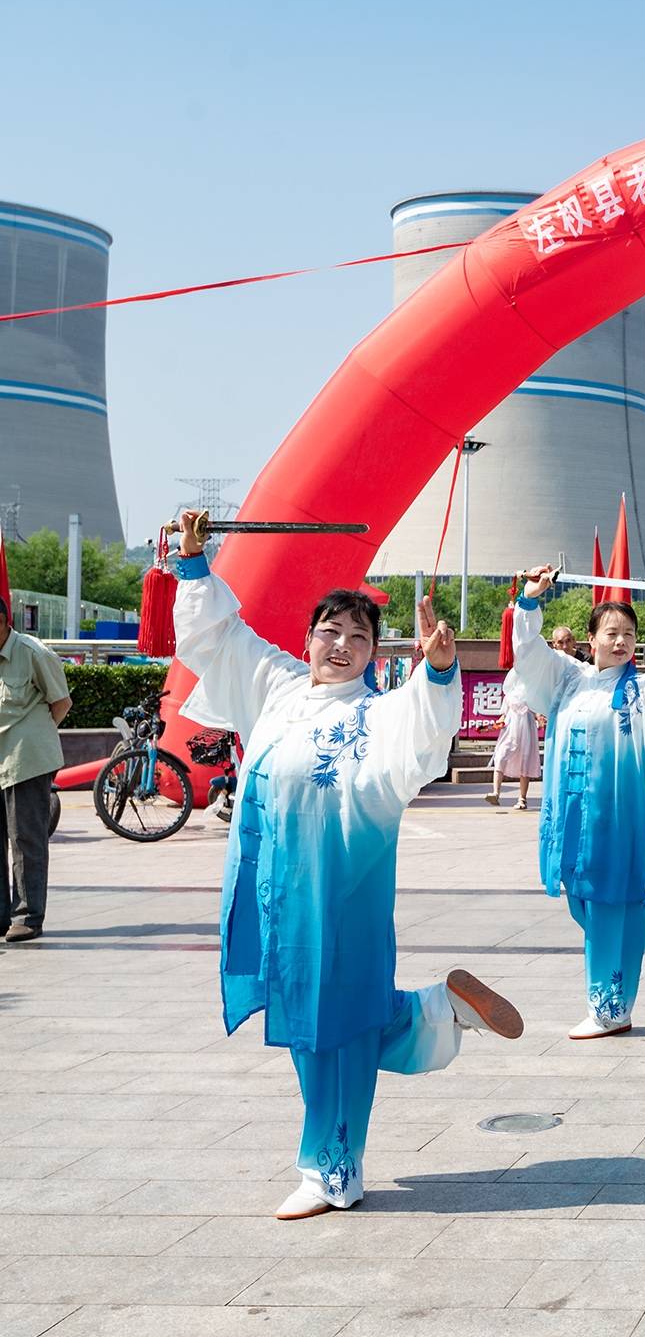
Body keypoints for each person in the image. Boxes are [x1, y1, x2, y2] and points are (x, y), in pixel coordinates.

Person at [168, 510, 523, 1219]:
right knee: (313, 1017)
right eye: (330, 630)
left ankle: (333, 1168)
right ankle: (431, 1012)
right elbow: (217, 639)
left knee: (340, 1023)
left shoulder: (380, 713)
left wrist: (442, 666)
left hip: (344, 895)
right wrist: (191, 562)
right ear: (308, 640)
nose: (342, 644)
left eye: (359, 637)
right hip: (273, 891)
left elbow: (429, 725)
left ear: (373, 654)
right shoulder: (276, 687)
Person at [509, 565, 645, 1039]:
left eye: (628, 634)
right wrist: (530, 601)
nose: (620, 642)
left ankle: (610, 1009)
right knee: (586, 905)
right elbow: (527, 655)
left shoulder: (643, 690)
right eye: (611, 633)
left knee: (609, 909)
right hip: (569, 820)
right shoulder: (567, 680)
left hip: (614, 822)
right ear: (591, 639)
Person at [1, 592, 70, 943]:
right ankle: (2, 915)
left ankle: (28, 916)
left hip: (26, 758)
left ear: (3, 623)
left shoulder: (31, 652)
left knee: (25, 838)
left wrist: (35, 734)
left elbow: (61, 702)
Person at [486, 678, 540, 810]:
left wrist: (541, 717)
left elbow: (538, 713)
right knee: (501, 756)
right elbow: (503, 715)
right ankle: (496, 793)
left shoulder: (533, 693)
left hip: (526, 731)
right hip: (510, 731)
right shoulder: (509, 695)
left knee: (525, 762)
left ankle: (522, 799)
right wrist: (495, 725)